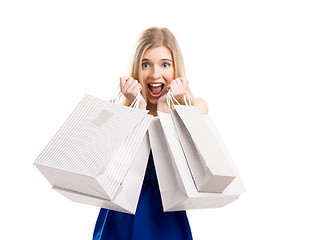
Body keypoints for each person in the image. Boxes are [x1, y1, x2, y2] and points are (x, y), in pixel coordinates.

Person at [93, 27, 208, 240]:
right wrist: (135, 108)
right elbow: (102, 168)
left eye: (165, 64)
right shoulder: (115, 107)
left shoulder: (195, 108)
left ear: (176, 69)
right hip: (119, 216)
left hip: (166, 218)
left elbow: (189, 172)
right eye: (146, 64)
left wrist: (166, 109)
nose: (155, 74)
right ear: (137, 68)